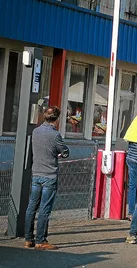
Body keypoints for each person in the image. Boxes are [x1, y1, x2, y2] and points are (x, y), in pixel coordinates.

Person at [24, 107, 69, 250]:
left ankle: (28, 239)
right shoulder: (55, 135)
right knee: (44, 208)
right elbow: (65, 152)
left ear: (44, 117)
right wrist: (60, 154)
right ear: (56, 120)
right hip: (49, 175)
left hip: (36, 173)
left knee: (32, 206)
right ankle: (41, 240)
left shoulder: (35, 131)